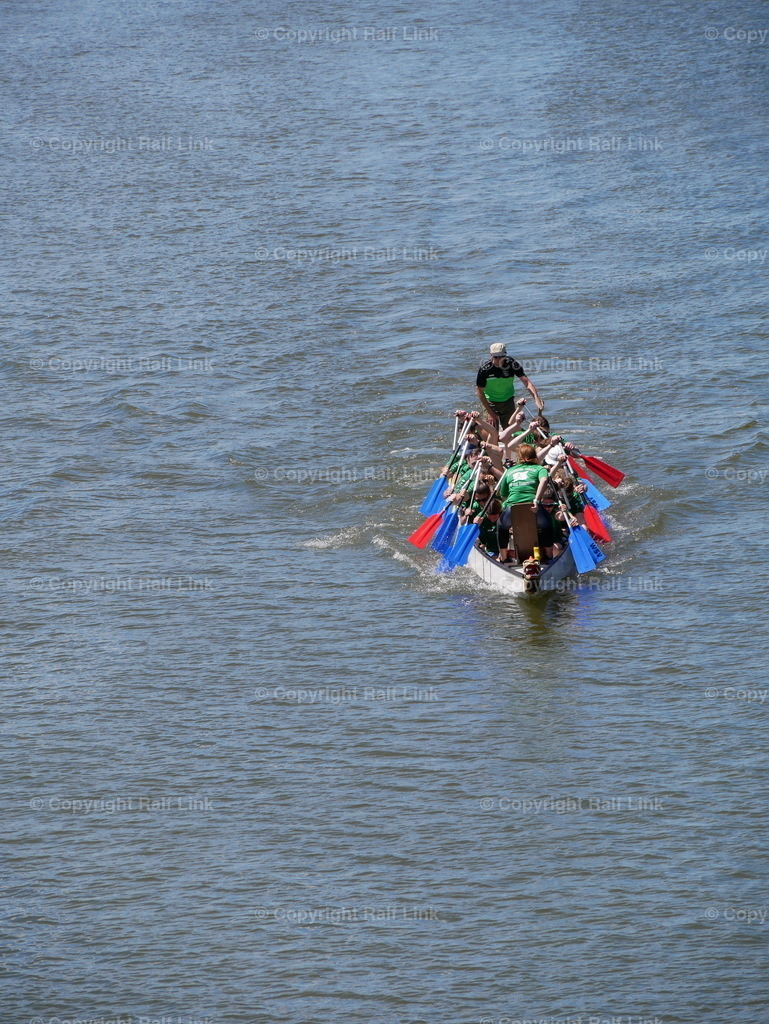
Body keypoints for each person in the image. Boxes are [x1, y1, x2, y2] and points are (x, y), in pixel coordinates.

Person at [496, 444, 551, 564]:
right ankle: (549, 555)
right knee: (547, 524)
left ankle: (503, 557)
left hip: (512, 509)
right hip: (534, 508)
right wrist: (536, 500)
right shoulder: (539, 469)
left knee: (501, 526)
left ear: (518, 458)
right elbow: (544, 480)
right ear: (535, 457)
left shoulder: (509, 471)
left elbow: (503, 494)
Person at [475, 343, 543, 429]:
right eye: (495, 357)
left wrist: (536, 398)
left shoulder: (512, 364)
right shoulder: (484, 369)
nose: (498, 360)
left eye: (501, 357)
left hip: (508, 401)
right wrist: (490, 413)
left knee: (511, 429)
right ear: (490, 355)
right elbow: (480, 392)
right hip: (490, 402)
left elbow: (527, 383)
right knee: (490, 432)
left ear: (505, 355)